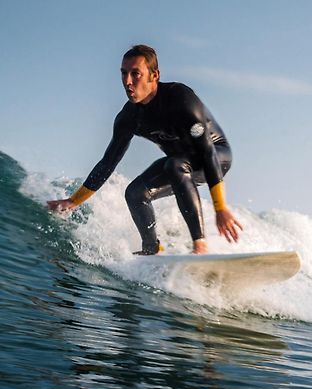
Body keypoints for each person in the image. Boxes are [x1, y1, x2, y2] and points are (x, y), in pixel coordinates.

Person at [47, 45, 243, 255]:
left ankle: (200, 246)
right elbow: (108, 162)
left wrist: (220, 208)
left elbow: (207, 152)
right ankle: (152, 249)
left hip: (215, 157)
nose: (128, 81)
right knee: (135, 192)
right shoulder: (129, 118)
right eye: (124, 73)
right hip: (178, 165)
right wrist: (72, 201)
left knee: (175, 165)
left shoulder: (181, 100)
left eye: (135, 74)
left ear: (154, 75)